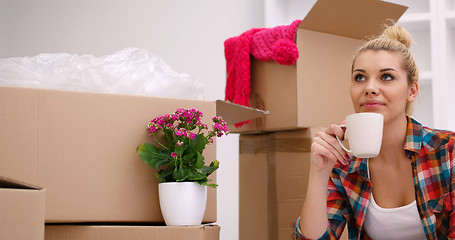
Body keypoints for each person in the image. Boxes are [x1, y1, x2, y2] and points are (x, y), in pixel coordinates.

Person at [296, 23, 455, 240]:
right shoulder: (343, 165)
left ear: (411, 90)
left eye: (386, 77)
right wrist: (319, 172)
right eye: (360, 77)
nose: (369, 88)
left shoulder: (448, 151)